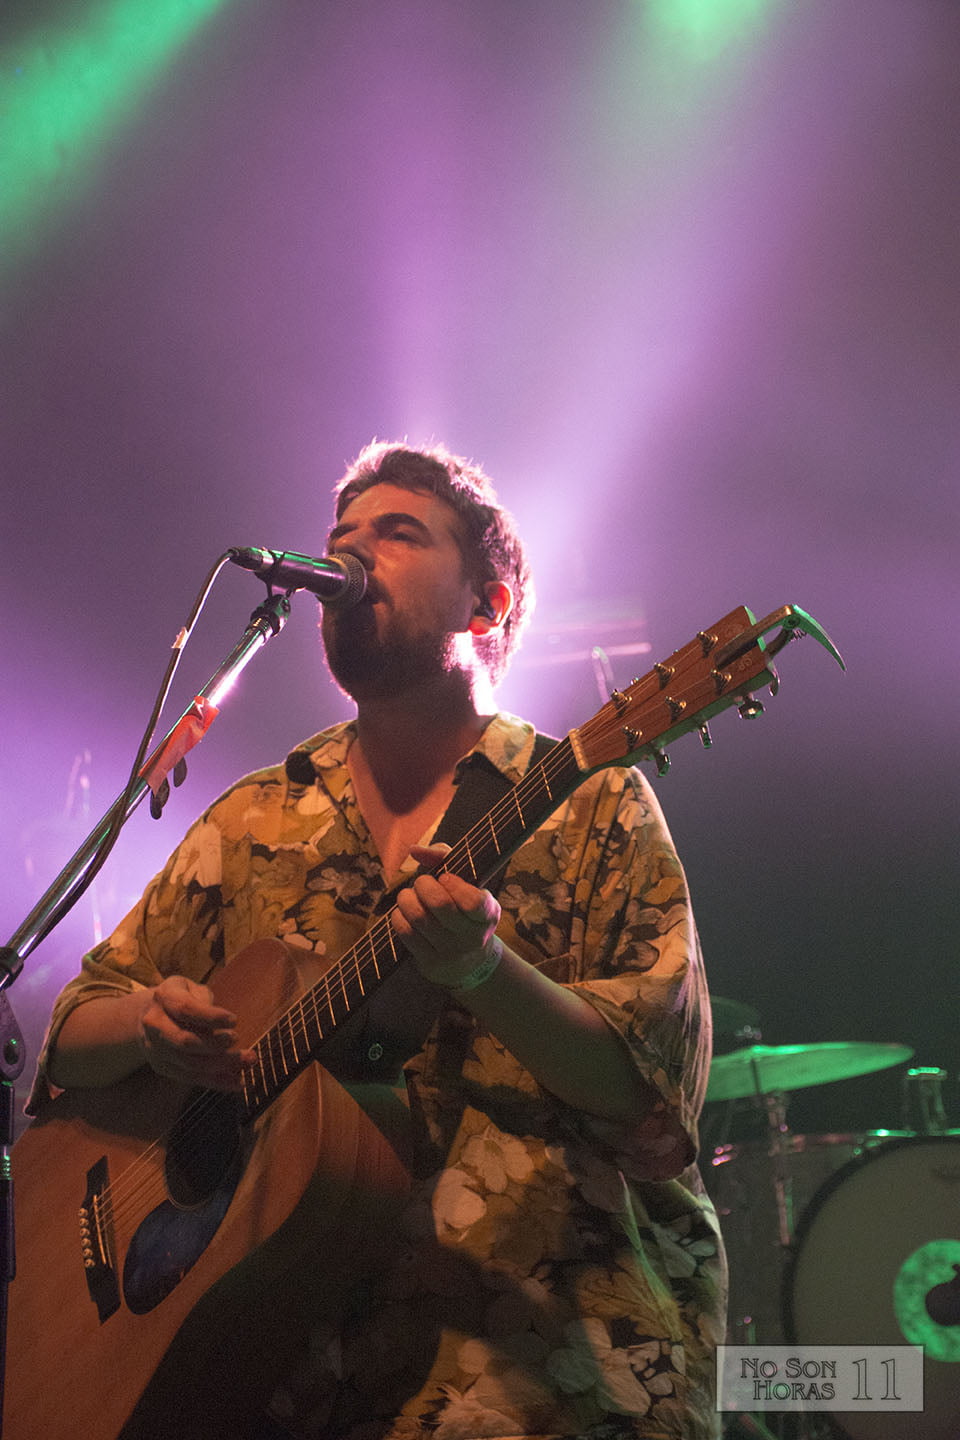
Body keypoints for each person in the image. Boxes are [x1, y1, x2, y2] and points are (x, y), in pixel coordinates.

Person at [29, 442, 726, 1439]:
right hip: (277, 1377)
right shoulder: (255, 818)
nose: (349, 557)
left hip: (543, 1374)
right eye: (339, 539)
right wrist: (149, 1025)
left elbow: (650, 1098)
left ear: (487, 606)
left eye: (397, 535)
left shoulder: (592, 800)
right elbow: (71, 1032)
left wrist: (483, 972)